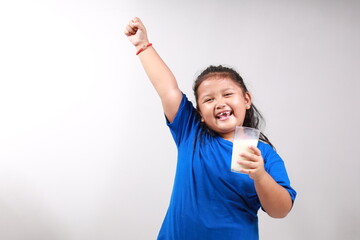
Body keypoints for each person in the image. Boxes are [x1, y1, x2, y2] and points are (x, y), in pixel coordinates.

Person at [124, 17, 296, 240]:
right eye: (208, 99)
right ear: (200, 115)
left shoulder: (263, 155)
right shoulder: (191, 133)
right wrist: (142, 45)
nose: (220, 103)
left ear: (246, 99)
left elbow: (280, 210)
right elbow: (168, 89)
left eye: (227, 94)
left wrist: (260, 175)